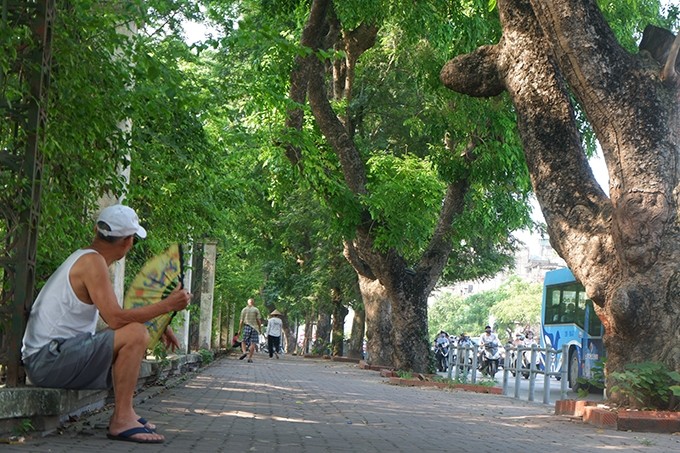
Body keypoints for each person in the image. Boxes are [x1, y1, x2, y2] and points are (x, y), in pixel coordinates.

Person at [21, 204, 191, 444]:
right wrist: (167, 306)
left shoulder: (88, 258)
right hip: (47, 362)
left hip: (50, 358)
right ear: (127, 242)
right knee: (135, 334)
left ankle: (127, 412)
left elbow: (114, 314)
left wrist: (161, 323)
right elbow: (115, 319)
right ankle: (122, 419)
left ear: (97, 231)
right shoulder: (92, 263)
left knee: (133, 331)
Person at [238, 298, 262, 363]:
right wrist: (260, 328)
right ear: (253, 303)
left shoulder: (244, 310)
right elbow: (259, 320)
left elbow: (241, 321)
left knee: (243, 341)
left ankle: (244, 352)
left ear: (247, 303)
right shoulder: (256, 309)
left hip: (246, 327)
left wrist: (239, 329)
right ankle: (250, 358)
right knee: (253, 343)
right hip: (255, 328)